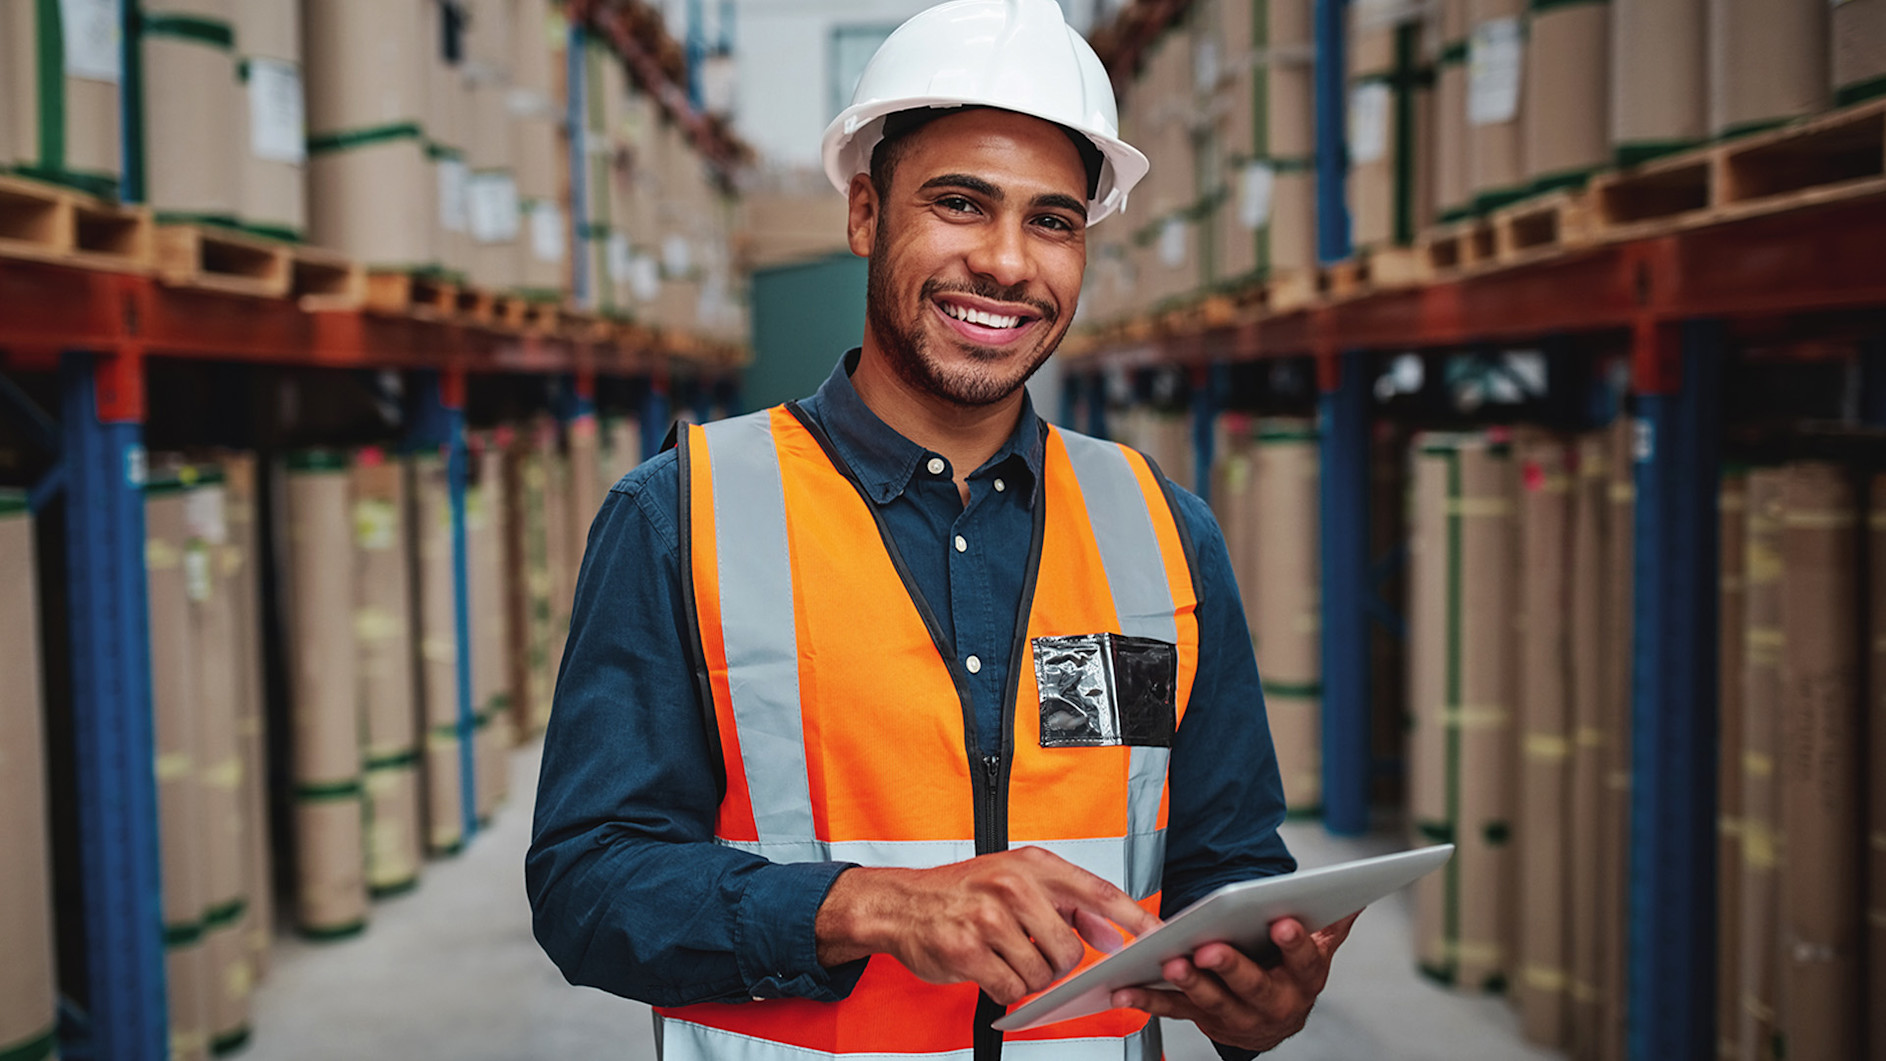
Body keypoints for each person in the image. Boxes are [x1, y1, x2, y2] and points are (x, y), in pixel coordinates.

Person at [526, 1, 1353, 1057]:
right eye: (961, 204)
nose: (1008, 263)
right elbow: (587, 885)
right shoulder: (682, 513)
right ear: (865, 214)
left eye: (1052, 220)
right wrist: (866, 906)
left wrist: (1259, 990)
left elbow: (1223, 856)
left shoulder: (1159, 531)